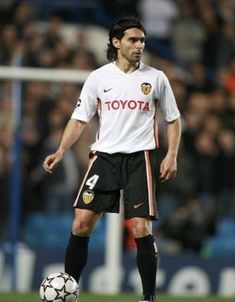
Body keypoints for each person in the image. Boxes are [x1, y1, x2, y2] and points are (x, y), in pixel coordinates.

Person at [43, 16, 181, 302]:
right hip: (104, 158)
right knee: (81, 223)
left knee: (141, 227)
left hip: (138, 159)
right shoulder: (98, 77)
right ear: (116, 43)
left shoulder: (155, 77)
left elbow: (174, 119)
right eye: (133, 39)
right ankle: (70, 292)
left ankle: (148, 297)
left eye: (142, 40)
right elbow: (80, 119)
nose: (139, 45)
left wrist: (171, 155)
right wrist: (61, 151)